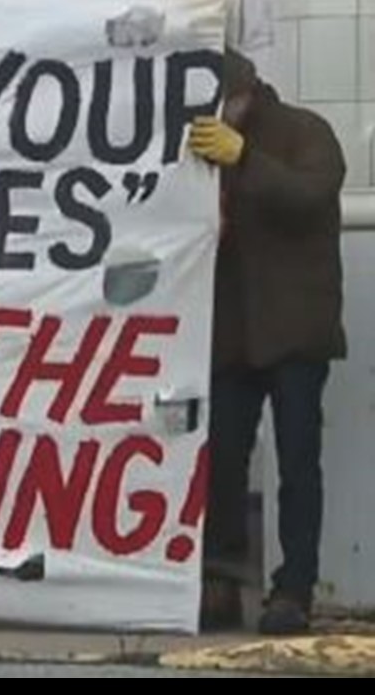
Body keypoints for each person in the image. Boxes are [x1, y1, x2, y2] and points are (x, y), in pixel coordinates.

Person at [191, 50, 346, 636]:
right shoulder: (202, 143)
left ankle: (294, 588)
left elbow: (312, 195)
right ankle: (221, 579)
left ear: (247, 93)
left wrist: (244, 158)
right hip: (232, 330)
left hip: (295, 328)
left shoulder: (305, 131)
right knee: (223, 460)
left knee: (298, 461)